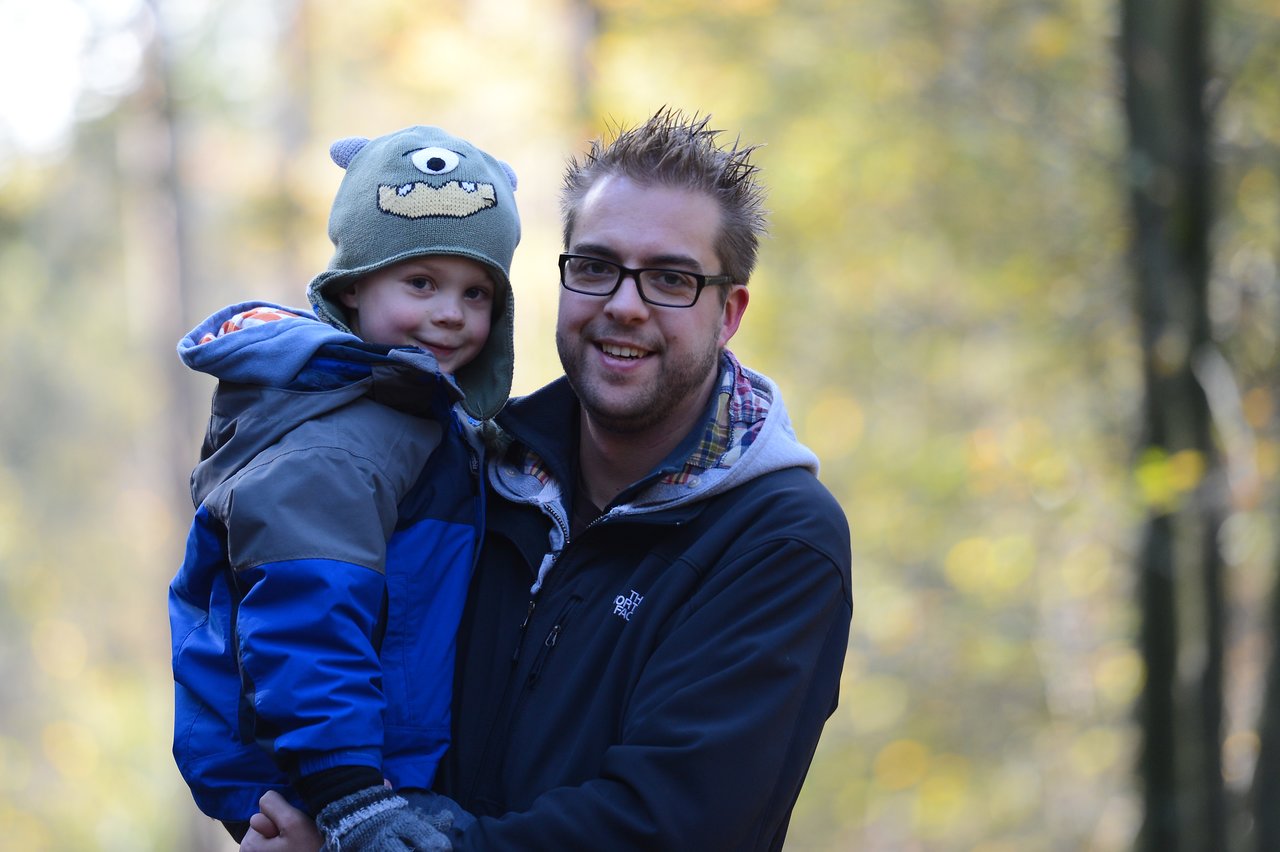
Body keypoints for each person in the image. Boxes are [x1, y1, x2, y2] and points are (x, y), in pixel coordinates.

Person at [242, 107, 852, 852]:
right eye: (595, 266)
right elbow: (304, 654)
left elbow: (672, 826)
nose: (623, 306)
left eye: (670, 278)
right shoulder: (469, 471)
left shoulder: (778, 540)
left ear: (729, 313)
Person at [168, 125, 520, 850]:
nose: (450, 313)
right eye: (420, 282)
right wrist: (348, 795)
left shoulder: (415, 414)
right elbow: (308, 617)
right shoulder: (339, 443)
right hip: (324, 776)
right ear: (354, 286)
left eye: (476, 291)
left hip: (370, 769)